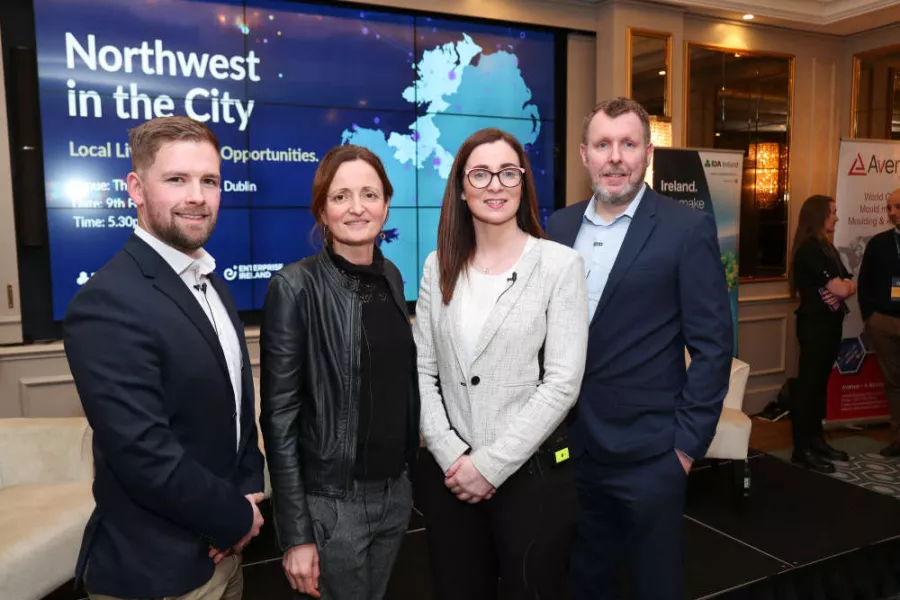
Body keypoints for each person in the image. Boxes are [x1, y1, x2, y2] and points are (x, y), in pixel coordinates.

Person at [63, 116, 266, 600]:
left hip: (226, 552)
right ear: (135, 187)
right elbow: (144, 455)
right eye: (177, 179)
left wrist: (250, 487)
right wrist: (237, 517)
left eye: (209, 180)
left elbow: (236, 407)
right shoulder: (105, 303)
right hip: (160, 573)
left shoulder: (211, 280)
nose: (197, 195)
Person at [546, 97, 733, 600]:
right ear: (584, 154)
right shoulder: (557, 229)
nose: (615, 157)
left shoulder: (684, 228)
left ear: (647, 153)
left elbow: (714, 346)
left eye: (628, 144)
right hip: (572, 454)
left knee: (655, 586)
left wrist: (685, 449)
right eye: (603, 144)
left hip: (652, 457)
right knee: (584, 583)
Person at [413, 127, 588, 600]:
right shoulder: (437, 266)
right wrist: (453, 456)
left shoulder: (560, 265)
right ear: (462, 189)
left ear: (523, 183)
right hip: (450, 484)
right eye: (481, 174)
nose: (495, 184)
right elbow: (423, 372)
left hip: (532, 481)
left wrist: (489, 465)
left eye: (508, 172)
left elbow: (562, 384)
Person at [259, 145, 419, 600]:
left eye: (369, 194)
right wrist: (296, 534)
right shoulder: (294, 287)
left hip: (395, 494)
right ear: (322, 211)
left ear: (386, 205)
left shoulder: (390, 275)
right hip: (333, 506)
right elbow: (280, 417)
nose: (357, 207)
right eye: (341, 196)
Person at [789, 194, 856, 472]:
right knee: (808, 386)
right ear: (819, 215)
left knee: (819, 386)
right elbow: (842, 289)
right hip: (815, 325)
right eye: (832, 212)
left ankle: (817, 441)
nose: (836, 217)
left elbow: (849, 282)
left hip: (830, 325)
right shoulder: (808, 249)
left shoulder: (827, 248)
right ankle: (802, 448)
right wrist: (841, 288)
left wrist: (842, 287)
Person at [856, 189, 900, 456]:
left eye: (897, 207)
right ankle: (898, 438)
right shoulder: (879, 243)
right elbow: (865, 283)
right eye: (889, 208)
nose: (892, 212)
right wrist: (870, 317)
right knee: (894, 382)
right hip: (883, 322)